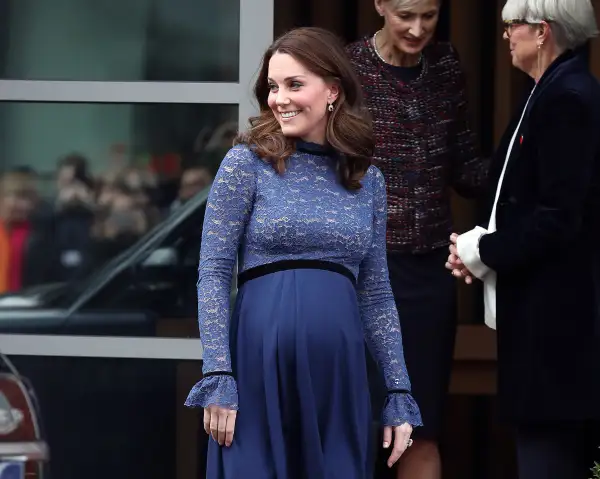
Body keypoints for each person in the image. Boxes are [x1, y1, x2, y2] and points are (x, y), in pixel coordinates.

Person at [184, 27, 422, 479]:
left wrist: (397, 389)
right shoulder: (246, 163)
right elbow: (213, 272)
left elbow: (375, 292)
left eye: (295, 84)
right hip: (256, 367)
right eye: (273, 86)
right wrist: (218, 372)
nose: (279, 98)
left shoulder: (366, 179)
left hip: (338, 370)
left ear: (333, 90)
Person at [447, 0, 600, 477]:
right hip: (543, 318)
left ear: (543, 32)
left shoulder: (567, 97)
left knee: (548, 456)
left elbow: (557, 217)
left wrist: (483, 252)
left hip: (558, 324)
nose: (506, 35)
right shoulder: (548, 90)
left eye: (513, 25)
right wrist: (478, 248)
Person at [346, 1, 487, 477]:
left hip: (429, 274)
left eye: (429, 15)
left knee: (421, 427)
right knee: (356, 423)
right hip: (361, 271)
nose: (418, 28)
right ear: (380, 5)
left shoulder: (445, 67)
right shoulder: (348, 69)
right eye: (406, 14)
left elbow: (464, 165)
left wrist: (522, 170)